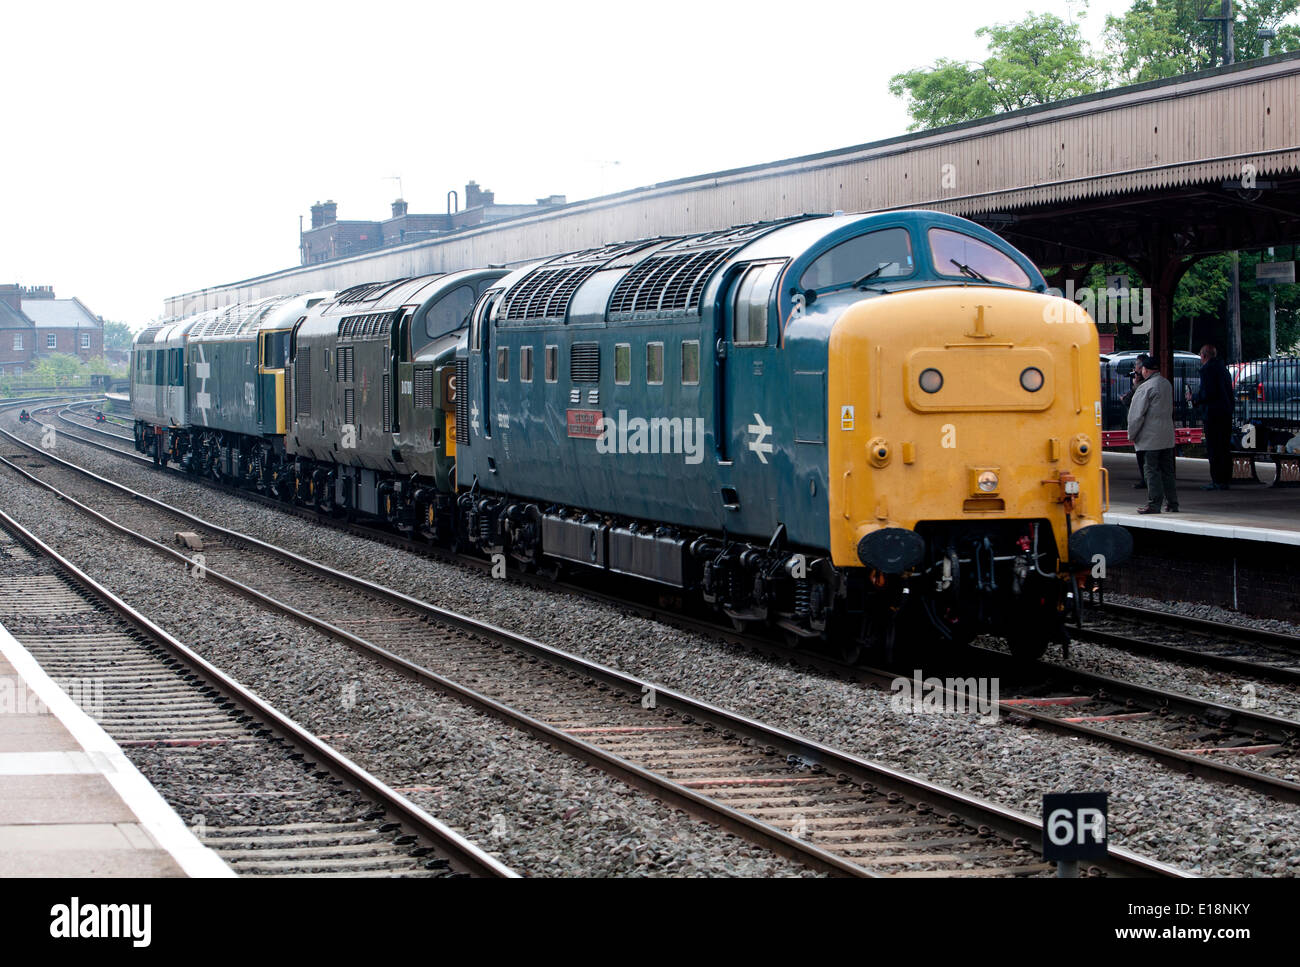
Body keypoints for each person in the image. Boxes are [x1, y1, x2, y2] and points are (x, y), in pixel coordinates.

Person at [1128, 353, 1178, 514]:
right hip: (1167, 435)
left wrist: (1132, 434)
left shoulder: (1146, 387)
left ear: (1146, 370)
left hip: (1151, 437)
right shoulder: (1166, 384)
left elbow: (1136, 414)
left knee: (1151, 470)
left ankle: (1154, 504)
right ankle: (1172, 503)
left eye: (1141, 369)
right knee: (1168, 471)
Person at [1188, 343, 1234, 490]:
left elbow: (1208, 393)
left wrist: (1193, 396)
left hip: (1213, 414)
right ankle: (1225, 479)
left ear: (1204, 355)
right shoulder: (1223, 369)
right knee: (1224, 447)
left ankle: (1217, 480)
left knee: (1214, 448)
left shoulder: (1207, 370)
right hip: (1225, 412)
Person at [1121, 366, 1148, 486]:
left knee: (1143, 455)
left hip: (1143, 427)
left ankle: (1146, 480)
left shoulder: (1141, 386)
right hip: (1147, 427)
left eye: (1136, 370)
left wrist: (1135, 384)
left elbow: (1128, 400)